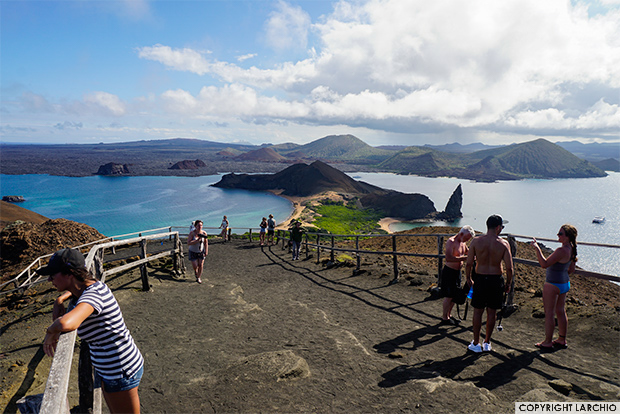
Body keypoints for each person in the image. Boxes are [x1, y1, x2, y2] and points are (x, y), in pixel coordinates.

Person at [39, 248, 144, 414]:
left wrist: (50, 331)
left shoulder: (93, 295)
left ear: (69, 274)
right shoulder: (88, 287)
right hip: (111, 368)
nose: (49, 279)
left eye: (53, 274)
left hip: (120, 370)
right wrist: (60, 299)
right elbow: (77, 291)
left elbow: (67, 323)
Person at [465, 215, 513, 353]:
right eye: (502, 227)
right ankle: (487, 342)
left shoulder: (476, 241)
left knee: (478, 311)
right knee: (492, 312)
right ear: (498, 227)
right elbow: (509, 268)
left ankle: (475, 343)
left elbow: (469, 263)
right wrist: (508, 283)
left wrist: (468, 278)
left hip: (480, 279)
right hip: (495, 280)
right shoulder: (504, 244)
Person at [530, 224, 578, 350]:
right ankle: (562, 339)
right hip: (564, 283)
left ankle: (547, 342)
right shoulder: (572, 249)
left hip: (553, 284)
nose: (558, 235)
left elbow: (544, 264)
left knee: (549, 313)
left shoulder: (561, 251)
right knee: (561, 311)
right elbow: (571, 269)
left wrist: (537, 248)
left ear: (567, 237)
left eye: (560, 233)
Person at [440, 225, 475, 325]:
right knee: (449, 295)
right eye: (467, 237)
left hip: (457, 272)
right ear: (461, 234)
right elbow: (449, 258)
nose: (467, 240)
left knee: (455, 295)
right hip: (449, 271)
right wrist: (464, 259)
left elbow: (469, 252)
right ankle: (444, 317)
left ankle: (449, 315)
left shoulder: (463, 243)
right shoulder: (451, 242)